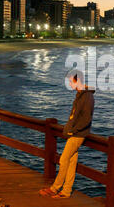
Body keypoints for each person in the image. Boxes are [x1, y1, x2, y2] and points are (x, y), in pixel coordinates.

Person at [39, 70, 95, 199]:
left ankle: (55, 188)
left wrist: (72, 130)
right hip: (75, 133)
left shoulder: (87, 97)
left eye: (71, 81)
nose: (69, 84)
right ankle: (66, 191)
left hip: (78, 135)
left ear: (78, 81)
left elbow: (86, 119)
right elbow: (74, 116)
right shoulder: (81, 95)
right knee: (71, 161)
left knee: (63, 159)